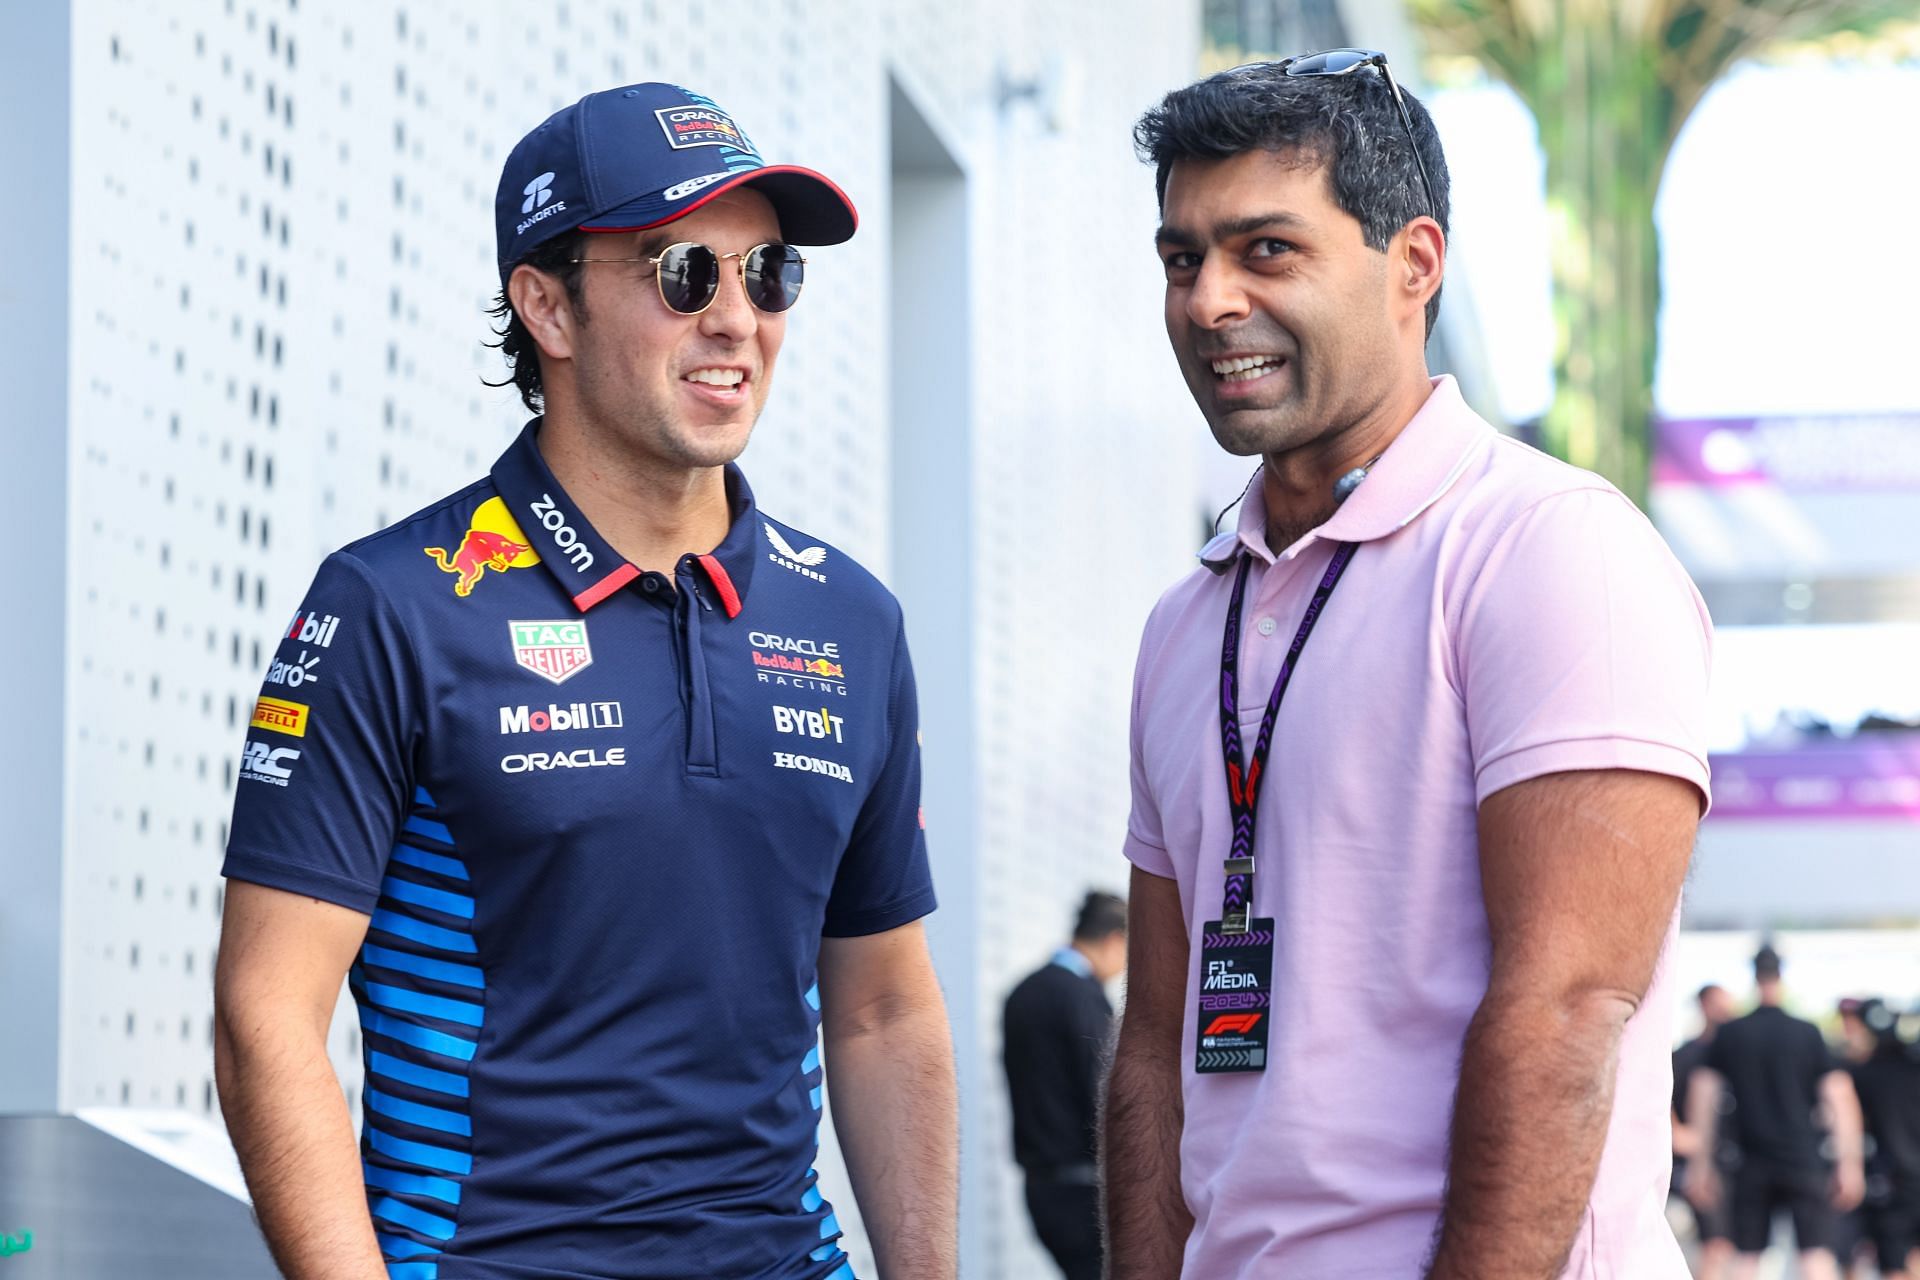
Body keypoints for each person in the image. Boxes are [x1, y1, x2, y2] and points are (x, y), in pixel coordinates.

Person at [211, 83, 958, 1280]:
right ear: (546, 305)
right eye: (683, 274)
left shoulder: (852, 619)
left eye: (768, 275)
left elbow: (882, 1008)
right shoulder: (390, 604)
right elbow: (268, 1016)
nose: (736, 319)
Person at [1102, 50, 1713, 1279]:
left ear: (1414, 264)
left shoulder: (1550, 549)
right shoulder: (1187, 618)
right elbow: (1157, 1041)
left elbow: (1569, 1012)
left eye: (1266, 249)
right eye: (1183, 257)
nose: (1210, 298)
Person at [1686, 946, 1865, 1280]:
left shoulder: (1731, 1033)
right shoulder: (1806, 1032)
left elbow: (1703, 1094)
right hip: (1803, 1159)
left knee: (1747, 1259)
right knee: (1815, 1257)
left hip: (1749, 1161)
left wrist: (1701, 1164)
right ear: (1780, 975)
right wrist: (1850, 1164)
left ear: (1754, 976)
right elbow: (1839, 1097)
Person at [1001, 891, 1128, 1280]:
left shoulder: (1023, 991)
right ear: (1114, 941)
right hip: (1084, 1192)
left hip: (1042, 1190)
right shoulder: (1083, 999)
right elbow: (1104, 1095)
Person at [1845, 999, 1920, 1280]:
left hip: (1892, 1181)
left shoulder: (1866, 1075)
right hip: (1900, 1180)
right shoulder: (1907, 1068)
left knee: (1894, 1263)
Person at [1675, 984, 1739, 1279]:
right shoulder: (1687, 1055)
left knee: (1732, 1250)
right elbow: (1661, 1103)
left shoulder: (1739, 1051)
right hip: (1701, 1164)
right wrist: (1680, 1137)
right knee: (1716, 1247)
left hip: (1734, 1161)